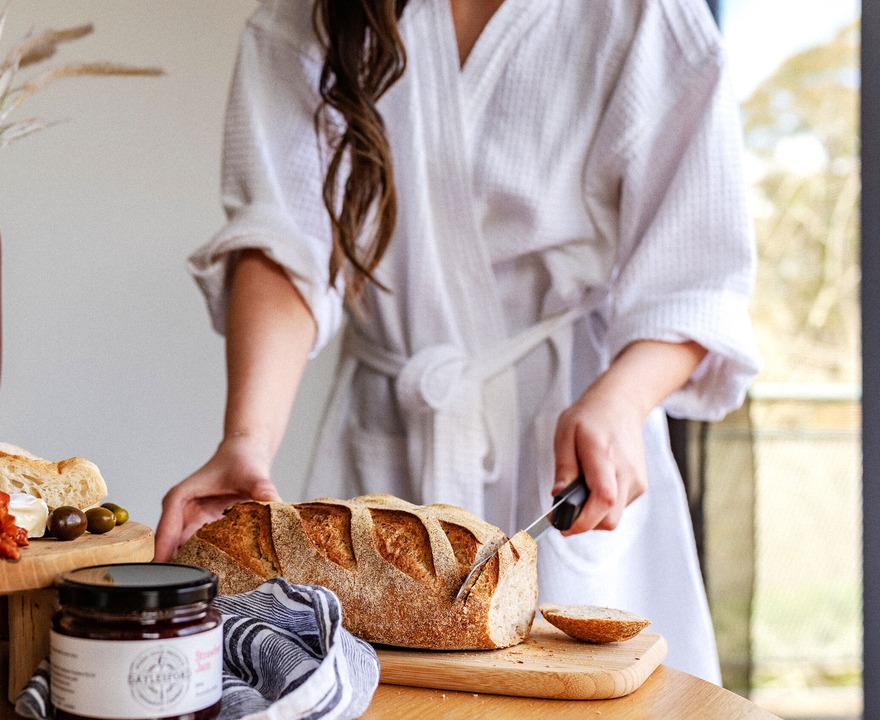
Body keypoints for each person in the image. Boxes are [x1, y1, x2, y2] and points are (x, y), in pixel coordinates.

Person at [155, 0, 760, 684]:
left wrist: (620, 404)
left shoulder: (643, 17)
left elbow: (696, 277)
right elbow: (284, 244)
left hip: (571, 447)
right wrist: (247, 441)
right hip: (383, 464)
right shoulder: (307, 19)